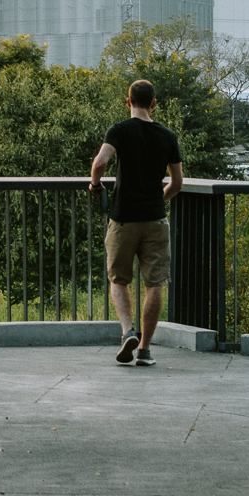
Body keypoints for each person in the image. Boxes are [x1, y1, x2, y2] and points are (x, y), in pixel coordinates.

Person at [89, 78, 183, 367]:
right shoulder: (167, 136)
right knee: (155, 284)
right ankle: (144, 350)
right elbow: (177, 183)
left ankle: (127, 331)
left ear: (128, 101)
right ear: (153, 104)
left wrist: (95, 185)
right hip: (155, 219)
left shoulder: (119, 130)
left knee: (119, 279)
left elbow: (101, 162)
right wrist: (158, 200)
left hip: (123, 219)